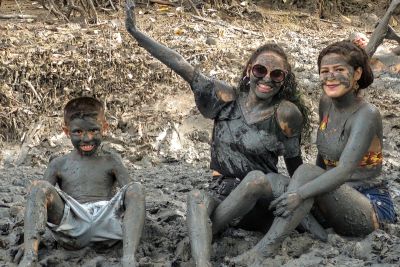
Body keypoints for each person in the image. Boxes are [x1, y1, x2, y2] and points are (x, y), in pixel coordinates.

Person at [125, 1, 326, 266]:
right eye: (260, 70)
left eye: (276, 75)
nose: (266, 79)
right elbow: (182, 65)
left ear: (284, 80)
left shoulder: (286, 114)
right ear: (248, 71)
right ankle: (202, 262)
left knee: (255, 179)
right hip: (224, 196)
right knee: (196, 198)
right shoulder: (225, 99)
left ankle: (207, 237)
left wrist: (308, 200)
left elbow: (295, 167)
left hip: (261, 201)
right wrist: (135, 31)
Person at [269, 40, 397, 247]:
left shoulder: (367, 114)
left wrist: (300, 193)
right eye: (325, 71)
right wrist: (302, 190)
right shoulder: (326, 102)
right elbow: (324, 158)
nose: (330, 77)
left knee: (303, 175)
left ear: (356, 74)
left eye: (339, 69)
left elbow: (344, 170)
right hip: (333, 198)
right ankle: (320, 235)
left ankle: (266, 248)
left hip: (369, 208)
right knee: (273, 181)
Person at [15, 97, 145, 267]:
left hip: (108, 225)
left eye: (94, 130)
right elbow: (39, 202)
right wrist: (28, 238)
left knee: (136, 187)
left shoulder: (111, 161)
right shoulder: (58, 163)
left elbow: (131, 198)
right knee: (39, 187)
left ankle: (128, 257)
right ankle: (30, 255)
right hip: (71, 228)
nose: (86, 138)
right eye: (78, 132)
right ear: (66, 131)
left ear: (104, 128)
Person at [350, 0, 400, 73]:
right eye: (356, 42)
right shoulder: (362, 57)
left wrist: (396, 38)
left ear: (367, 39)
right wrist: (390, 11)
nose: (360, 42)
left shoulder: (384, 50)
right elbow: (374, 42)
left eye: (362, 39)